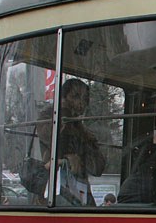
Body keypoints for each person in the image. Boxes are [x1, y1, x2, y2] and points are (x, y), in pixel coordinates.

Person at [35, 78, 106, 206]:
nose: (84, 103)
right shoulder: (51, 116)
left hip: (79, 190)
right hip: (54, 191)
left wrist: (81, 157)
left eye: (86, 99)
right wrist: (65, 111)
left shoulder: (80, 128)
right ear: (66, 97)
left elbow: (98, 167)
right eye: (79, 97)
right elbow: (49, 137)